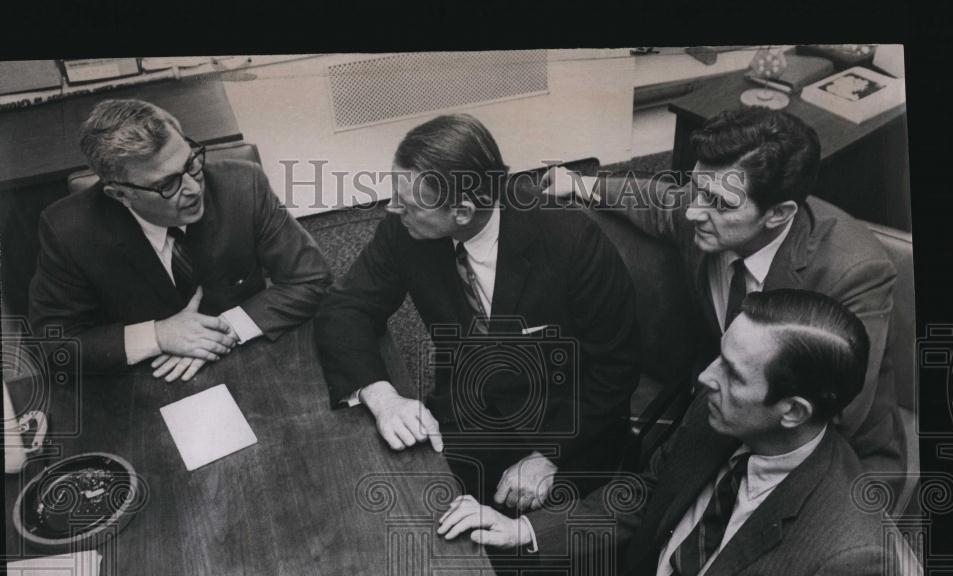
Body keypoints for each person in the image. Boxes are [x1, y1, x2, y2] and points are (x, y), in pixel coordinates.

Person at [440, 289, 917, 576]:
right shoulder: (715, 417)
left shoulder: (854, 551)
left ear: (791, 411)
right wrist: (523, 529)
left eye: (732, 373)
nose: (706, 377)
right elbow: (645, 496)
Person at [542, 106, 904, 480]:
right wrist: (582, 185)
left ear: (778, 215)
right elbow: (662, 202)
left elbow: (836, 413)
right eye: (696, 189)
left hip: (822, 455)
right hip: (730, 406)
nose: (694, 211)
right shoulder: (709, 207)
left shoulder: (852, 273)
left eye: (717, 203)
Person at [314, 113, 640, 519]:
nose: (394, 209)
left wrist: (549, 456)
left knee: (509, 563)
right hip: (467, 409)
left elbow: (617, 367)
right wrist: (383, 397)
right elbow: (345, 306)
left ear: (463, 212)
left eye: (411, 204)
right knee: (394, 502)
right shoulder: (405, 229)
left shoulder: (572, 243)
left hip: (567, 425)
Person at [29, 99, 330, 380]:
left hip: (249, 352)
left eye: (190, 164)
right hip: (147, 376)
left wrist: (227, 329)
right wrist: (157, 335)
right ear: (120, 194)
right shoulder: (68, 230)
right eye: (167, 184)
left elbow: (312, 279)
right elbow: (52, 347)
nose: (193, 188)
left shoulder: (243, 185)